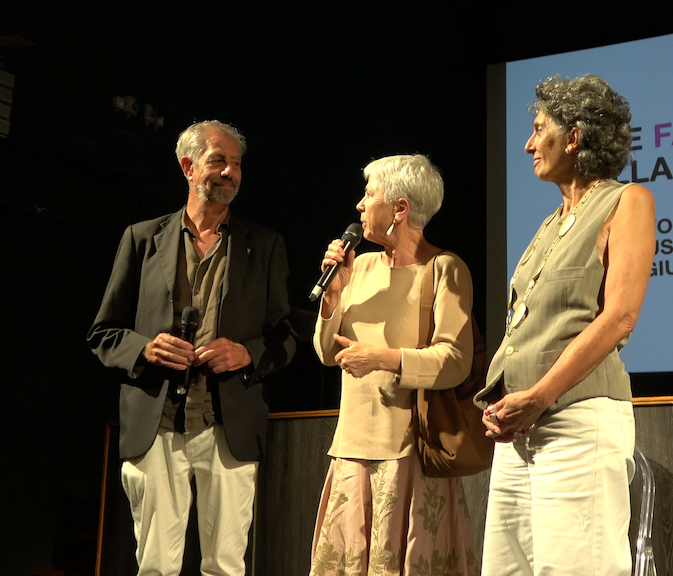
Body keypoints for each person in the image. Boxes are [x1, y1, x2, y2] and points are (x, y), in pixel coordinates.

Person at [87, 120, 296, 576]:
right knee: (157, 565)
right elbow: (104, 334)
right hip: (156, 423)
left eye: (236, 165)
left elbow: (285, 336)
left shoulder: (263, 245)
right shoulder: (142, 239)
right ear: (188, 166)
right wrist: (146, 349)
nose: (230, 173)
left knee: (224, 565)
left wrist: (246, 353)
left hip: (228, 425)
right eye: (218, 161)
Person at [475, 74, 656, 576]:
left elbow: (619, 317)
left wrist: (538, 397)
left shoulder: (627, 201)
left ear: (572, 137)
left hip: (576, 423)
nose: (529, 143)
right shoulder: (551, 222)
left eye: (539, 129)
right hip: (521, 430)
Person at [309, 154, 480, 576]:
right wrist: (332, 299)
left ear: (399, 209)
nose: (360, 206)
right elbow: (327, 353)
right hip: (350, 449)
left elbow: (454, 360)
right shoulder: (359, 266)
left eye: (369, 195)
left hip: (410, 454)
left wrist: (381, 359)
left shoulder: (445, 270)